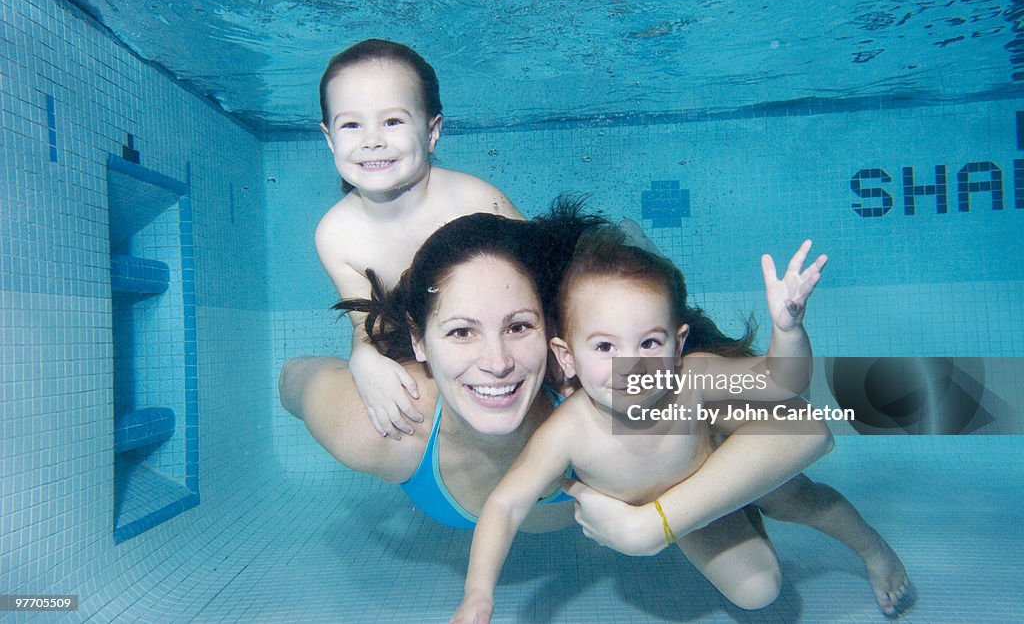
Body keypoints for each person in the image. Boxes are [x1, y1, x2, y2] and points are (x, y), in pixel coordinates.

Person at [279, 206, 835, 609]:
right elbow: (290, 378)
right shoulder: (384, 425)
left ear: (556, 341)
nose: (496, 363)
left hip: (664, 457)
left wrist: (654, 526)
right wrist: (361, 348)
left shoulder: (601, 387)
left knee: (760, 578)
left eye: (519, 326)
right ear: (421, 344)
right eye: (460, 332)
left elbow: (811, 423)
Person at [451, 227, 908, 623]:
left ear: (678, 343)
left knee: (798, 499)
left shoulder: (691, 377)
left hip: (717, 467)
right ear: (567, 357)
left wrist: (787, 329)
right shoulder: (567, 431)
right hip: (689, 516)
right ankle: (743, 510)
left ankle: (873, 551)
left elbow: (781, 384)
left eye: (649, 341)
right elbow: (506, 504)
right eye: (605, 347)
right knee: (757, 590)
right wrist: (478, 592)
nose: (631, 365)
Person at [314, 38, 522, 440]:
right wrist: (361, 357)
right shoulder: (336, 234)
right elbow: (368, 323)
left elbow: (551, 278)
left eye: (393, 121)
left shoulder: (477, 200)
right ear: (328, 138)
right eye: (351, 124)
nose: (371, 140)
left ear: (432, 131)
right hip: (429, 342)